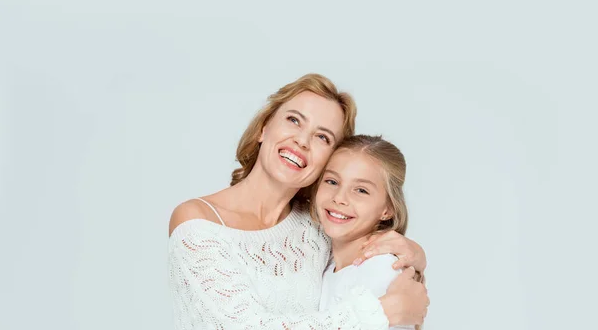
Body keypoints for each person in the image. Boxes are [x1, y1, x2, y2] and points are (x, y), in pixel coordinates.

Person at [168, 74, 429, 329]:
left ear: (330, 159)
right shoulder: (198, 222)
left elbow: (365, 269)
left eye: (322, 137)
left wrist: (415, 254)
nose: (302, 141)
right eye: (294, 120)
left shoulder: (319, 226)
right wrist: (381, 312)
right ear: (264, 127)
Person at [314, 134, 425, 330]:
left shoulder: (381, 270)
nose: (339, 198)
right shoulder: (324, 261)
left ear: (387, 209)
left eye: (361, 190)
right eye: (332, 181)